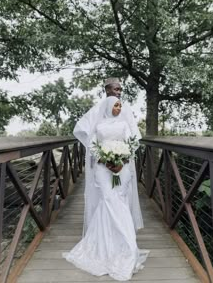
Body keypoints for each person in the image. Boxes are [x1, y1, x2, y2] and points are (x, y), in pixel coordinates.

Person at [63, 97, 149, 281]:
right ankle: (104, 247)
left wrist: (121, 161)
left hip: (123, 168)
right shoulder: (99, 124)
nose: (118, 108)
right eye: (115, 105)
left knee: (119, 200)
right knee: (108, 199)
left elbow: (132, 145)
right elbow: (92, 147)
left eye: (120, 105)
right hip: (103, 169)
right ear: (108, 107)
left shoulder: (125, 125)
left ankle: (126, 246)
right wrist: (106, 160)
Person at [73, 78, 143, 236]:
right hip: (102, 165)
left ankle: (123, 236)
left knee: (120, 197)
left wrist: (122, 159)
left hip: (122, 164)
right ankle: (104, 235)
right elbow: (83, 131)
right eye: (115, 90)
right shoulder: (97, 111)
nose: (118, 93)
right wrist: (103, 156)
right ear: (107, 90)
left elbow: (133, 138)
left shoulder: (125, 110)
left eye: (120, 90)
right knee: (106, 197)